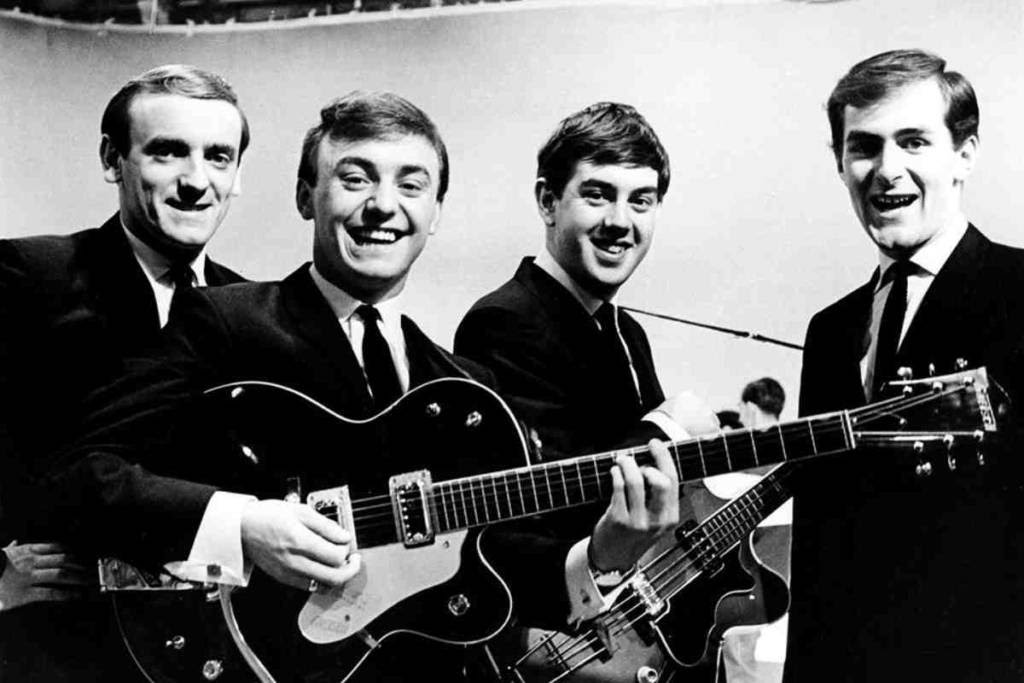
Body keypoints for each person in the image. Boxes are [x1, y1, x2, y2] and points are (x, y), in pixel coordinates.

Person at [46, 91, 680, 680]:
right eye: (355, 179)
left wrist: (605, 553)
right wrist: (245, 524)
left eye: (412, 184)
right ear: (306, 196)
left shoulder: (464, 385)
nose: (383, 205)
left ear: (435, 213)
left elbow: (499, 563)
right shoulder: (222, 321)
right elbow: (84, 473)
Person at [0, 64, 248, 682]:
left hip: (200, 652)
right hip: (51, 650)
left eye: (218, 157)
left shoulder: (250, 310)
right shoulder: (28, 277)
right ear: (113, 159)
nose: (196, 180)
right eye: (168, 152)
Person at [788, 49, 1024, 681]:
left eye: (913, 142)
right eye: (864, 147)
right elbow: (817, 547)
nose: (887, 169)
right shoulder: (829, 332)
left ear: (964, 154)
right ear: (840, 163)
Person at [455, 102, 714, 645]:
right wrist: (669, 427)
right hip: (551, 639)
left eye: (641, 200)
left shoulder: (626, 331)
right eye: (597, 195)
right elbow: (551, 500)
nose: (620, 222)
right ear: (548, 201)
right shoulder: (504, 321)